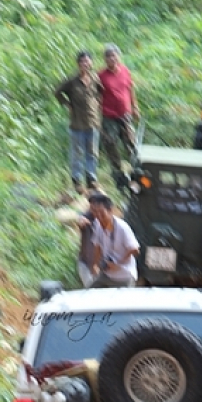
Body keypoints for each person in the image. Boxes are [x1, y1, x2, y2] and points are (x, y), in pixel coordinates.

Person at [54, 51, 103, 192]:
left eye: (88, 61)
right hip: (77, 124)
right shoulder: (72, 81)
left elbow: (100, 93)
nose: (85, 64)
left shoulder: (95, 79)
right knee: (77, 154)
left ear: (91, 63)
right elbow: (57, 92)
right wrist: (67, 104)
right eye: (82, 62)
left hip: (93, 123)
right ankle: (77, 181)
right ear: (78, 64)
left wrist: (98, 105)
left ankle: (91, 179)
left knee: (92, 153)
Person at [98, 44, 140, 183]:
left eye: (113, 55)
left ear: (118, 56)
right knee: (111, 143)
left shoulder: (125, 71)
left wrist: (135, 107)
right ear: (105, 59)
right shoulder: (101, 76)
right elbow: (97, 96)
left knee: (131, 142)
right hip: (109, 115)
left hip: (125, 114)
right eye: (108, 56)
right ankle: (118, 173)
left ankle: (137, 170)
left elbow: (130, 89)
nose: (111, 58)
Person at [89, 193, 140, 288]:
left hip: (124, 276)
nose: (98, 216)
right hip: (107, 275)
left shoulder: (122, 227)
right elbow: (97, 246)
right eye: (95, 212)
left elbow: (135, 249)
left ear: (110, 211)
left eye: (101, 212)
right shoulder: (97, 224)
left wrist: (118, 263)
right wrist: (95, 264)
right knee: (89, 295)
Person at [75, 191, 104, 287]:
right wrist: (81, 221)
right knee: (91, 289)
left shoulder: (107, 220)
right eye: (91, 206)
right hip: (85, 263)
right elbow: (80, 220)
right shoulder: (87, 216)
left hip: (100, 265)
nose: (93, 209)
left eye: (95, 205)